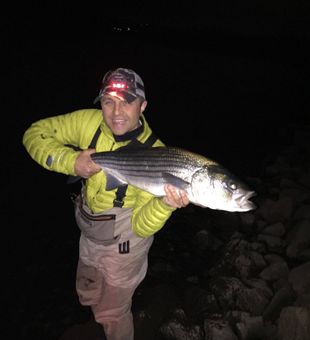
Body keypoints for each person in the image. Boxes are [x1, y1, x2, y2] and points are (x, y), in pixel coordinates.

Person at [22, 67, 190, 340]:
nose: (116, 112)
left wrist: (165, 204)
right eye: (108, 101)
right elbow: (35, 133)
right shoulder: (89, 123)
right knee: (88, 291)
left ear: (143, 105)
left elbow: (141, 226)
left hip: (127, 241)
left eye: (127, 101)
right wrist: (72, 161)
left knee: (112, 312)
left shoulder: (159, 156)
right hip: (89, 228)